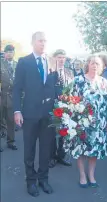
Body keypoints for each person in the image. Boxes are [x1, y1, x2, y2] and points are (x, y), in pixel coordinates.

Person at [13, 32, 55, 197]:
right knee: (29, 150)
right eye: (40, 41)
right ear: (33, 42)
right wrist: (17, 110)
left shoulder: (51, 61)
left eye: (45, 41)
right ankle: (31, 181)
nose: (43, 43)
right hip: (30, 114)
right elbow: (17, 88)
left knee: (46, 149)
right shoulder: (24, 62)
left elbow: (53, 86)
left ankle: (43, 179)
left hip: (49, 114)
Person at [64, 54, 107, 188]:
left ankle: (91, 175)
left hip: (99, 122)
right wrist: (71, 120)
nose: (95, 66)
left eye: (98, 64)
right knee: (81, 149)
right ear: (88, 65)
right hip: (82, 122)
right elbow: (71, 100)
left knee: (95, 150)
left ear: (101, 67)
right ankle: (82, 175)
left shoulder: (103, 81)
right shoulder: (78, 80)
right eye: (93, 63)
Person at [49, 49, 73, 168]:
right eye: (59, 57)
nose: (62, 59)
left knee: (64, 131)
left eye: (63, 57)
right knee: (52, 133)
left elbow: (72, 89)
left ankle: (61, 155)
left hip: (66, 106)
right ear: (55, 58)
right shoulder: (50, 71)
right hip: (52, 106)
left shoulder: (69, 72)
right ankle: (52, 157)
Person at [1, 45, 18, 150]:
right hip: (1, 95)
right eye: (7, 52)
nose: (9, 53)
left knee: (11, 121)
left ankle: (11, 142)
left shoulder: (18, 65)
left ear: (14, 53)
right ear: (4, 53)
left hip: (13, 97)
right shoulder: (1, 64)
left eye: (11, 51)